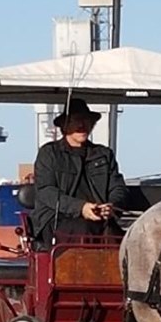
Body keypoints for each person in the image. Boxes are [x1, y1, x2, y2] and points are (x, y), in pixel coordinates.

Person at [33, 97, 130, 246]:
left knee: (118, 236)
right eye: (76, 120)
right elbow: (46, 192)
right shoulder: (49, 153)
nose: (81, 125)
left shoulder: (104, 154)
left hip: (100, 219)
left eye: (86, 120)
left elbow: (118, 187)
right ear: (65, 126)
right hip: (57, 219)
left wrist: (111, 206)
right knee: (84, 229)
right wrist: (81, 208)